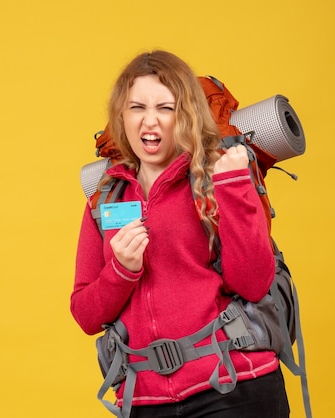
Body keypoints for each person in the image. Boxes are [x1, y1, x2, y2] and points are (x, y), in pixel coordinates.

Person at [70, 50, 289, 418]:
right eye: (136, 107)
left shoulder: (220, 174)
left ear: (185, 114)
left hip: (234, 387)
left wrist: (234, 186)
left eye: (165, 108)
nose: (149, 121)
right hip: (144, 400)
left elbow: (253, 283)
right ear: (121, 117)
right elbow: (85, 314)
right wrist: (121, 269)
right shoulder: (104, 198)